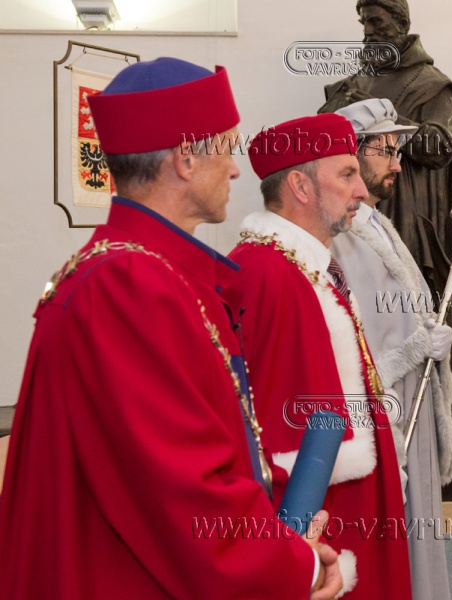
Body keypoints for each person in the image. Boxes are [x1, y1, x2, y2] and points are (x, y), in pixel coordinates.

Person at [0, 58, 341, 599]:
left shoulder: (144, 272)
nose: (235, 171)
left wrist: (282, 538)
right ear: (185, 159)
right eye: (227, 149)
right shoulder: (128, 285)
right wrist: (293, 566)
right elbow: (178, 488)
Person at [223, 113, 412, 599]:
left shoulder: (302, 265)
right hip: (326, 515)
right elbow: (269, 434)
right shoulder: (269, 274)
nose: (362, 191)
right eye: (346, 175)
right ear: (300, 186)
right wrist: (291, 556)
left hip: (349, 500)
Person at [319, 0, 452, 470]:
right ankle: (369, 450)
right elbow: (323, 135)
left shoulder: (432, 84)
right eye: (363, 21)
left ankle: (434, 451)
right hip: (351, 224)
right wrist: (348, 104)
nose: (368, 29)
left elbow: (441, 146)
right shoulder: (356, 82)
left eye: (376, 20)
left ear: (400, 22)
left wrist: (389, 128)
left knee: (422, 331)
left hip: (410, 222)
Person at [330, 98, 452, 600]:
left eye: (397, 151)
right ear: (352, 154)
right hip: (382, 408)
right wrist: (411, 349)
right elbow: (349, 344)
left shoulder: (376, 224)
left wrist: (431, 338)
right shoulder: (339, 235)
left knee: (420, 525)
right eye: (385, 150)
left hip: (411, 402)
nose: (397, 164)